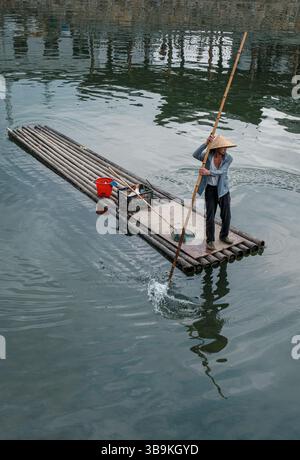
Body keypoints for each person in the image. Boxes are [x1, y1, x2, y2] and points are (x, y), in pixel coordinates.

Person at [192, 134, 237, 250]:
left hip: (223, 190)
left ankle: (224, 236)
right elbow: (195, 154)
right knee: (210, 216)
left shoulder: (228, 158)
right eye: (223, 147)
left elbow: (222, 171)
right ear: (217, 148)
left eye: (226, 147)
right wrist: (206, 143)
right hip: (210, 190)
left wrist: (208, 172)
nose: (225, 149)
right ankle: (210, 240)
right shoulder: (208, 156)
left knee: (226, 215)